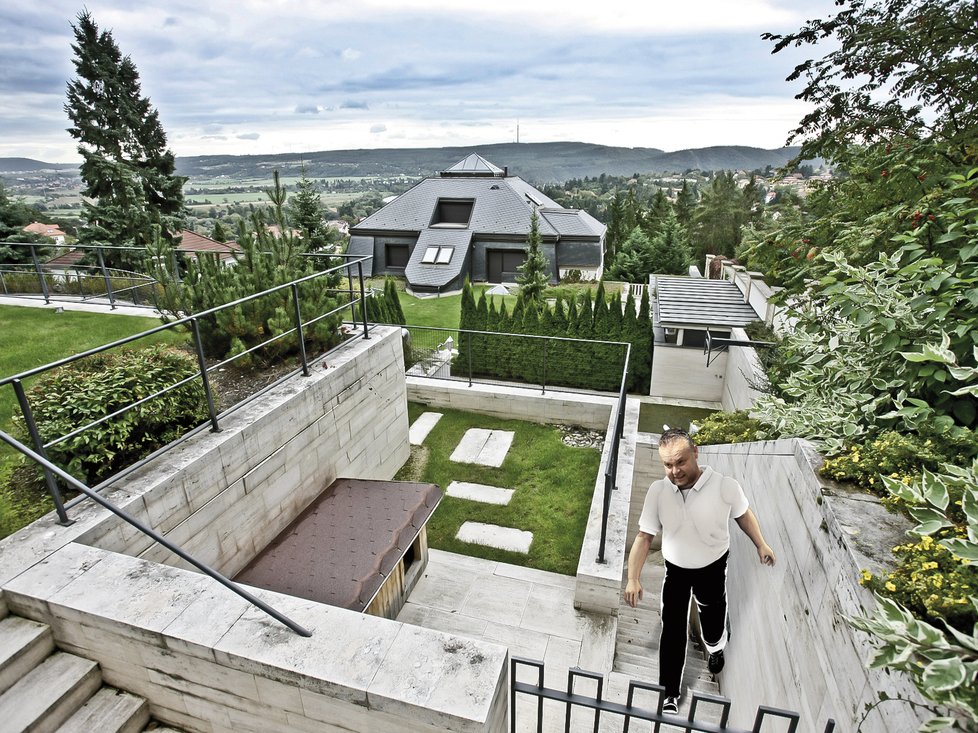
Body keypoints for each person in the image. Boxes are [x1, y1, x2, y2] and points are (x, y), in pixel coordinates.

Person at [623, 428, 776, 716]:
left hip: (712, 568)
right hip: (676, 572)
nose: (674, 471)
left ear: (696, 453)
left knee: (712, 617)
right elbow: (644, 537)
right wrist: (633, 578)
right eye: (667, 465)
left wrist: (761, 544)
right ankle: (669, 691)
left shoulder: (724, 486)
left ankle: (716, 647)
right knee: (672, 629)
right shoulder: (658, 492)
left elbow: (743, 515)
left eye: (680, 462)